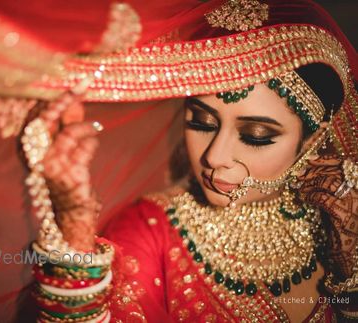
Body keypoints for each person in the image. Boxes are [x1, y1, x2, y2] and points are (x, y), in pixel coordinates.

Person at [20, 0, 358, 322]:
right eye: (201, 122)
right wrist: (76, 229)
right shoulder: (150, 233)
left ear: (312, 140)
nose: (214, 156)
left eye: (255, 135)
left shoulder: (336, 227)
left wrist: (350, 272)